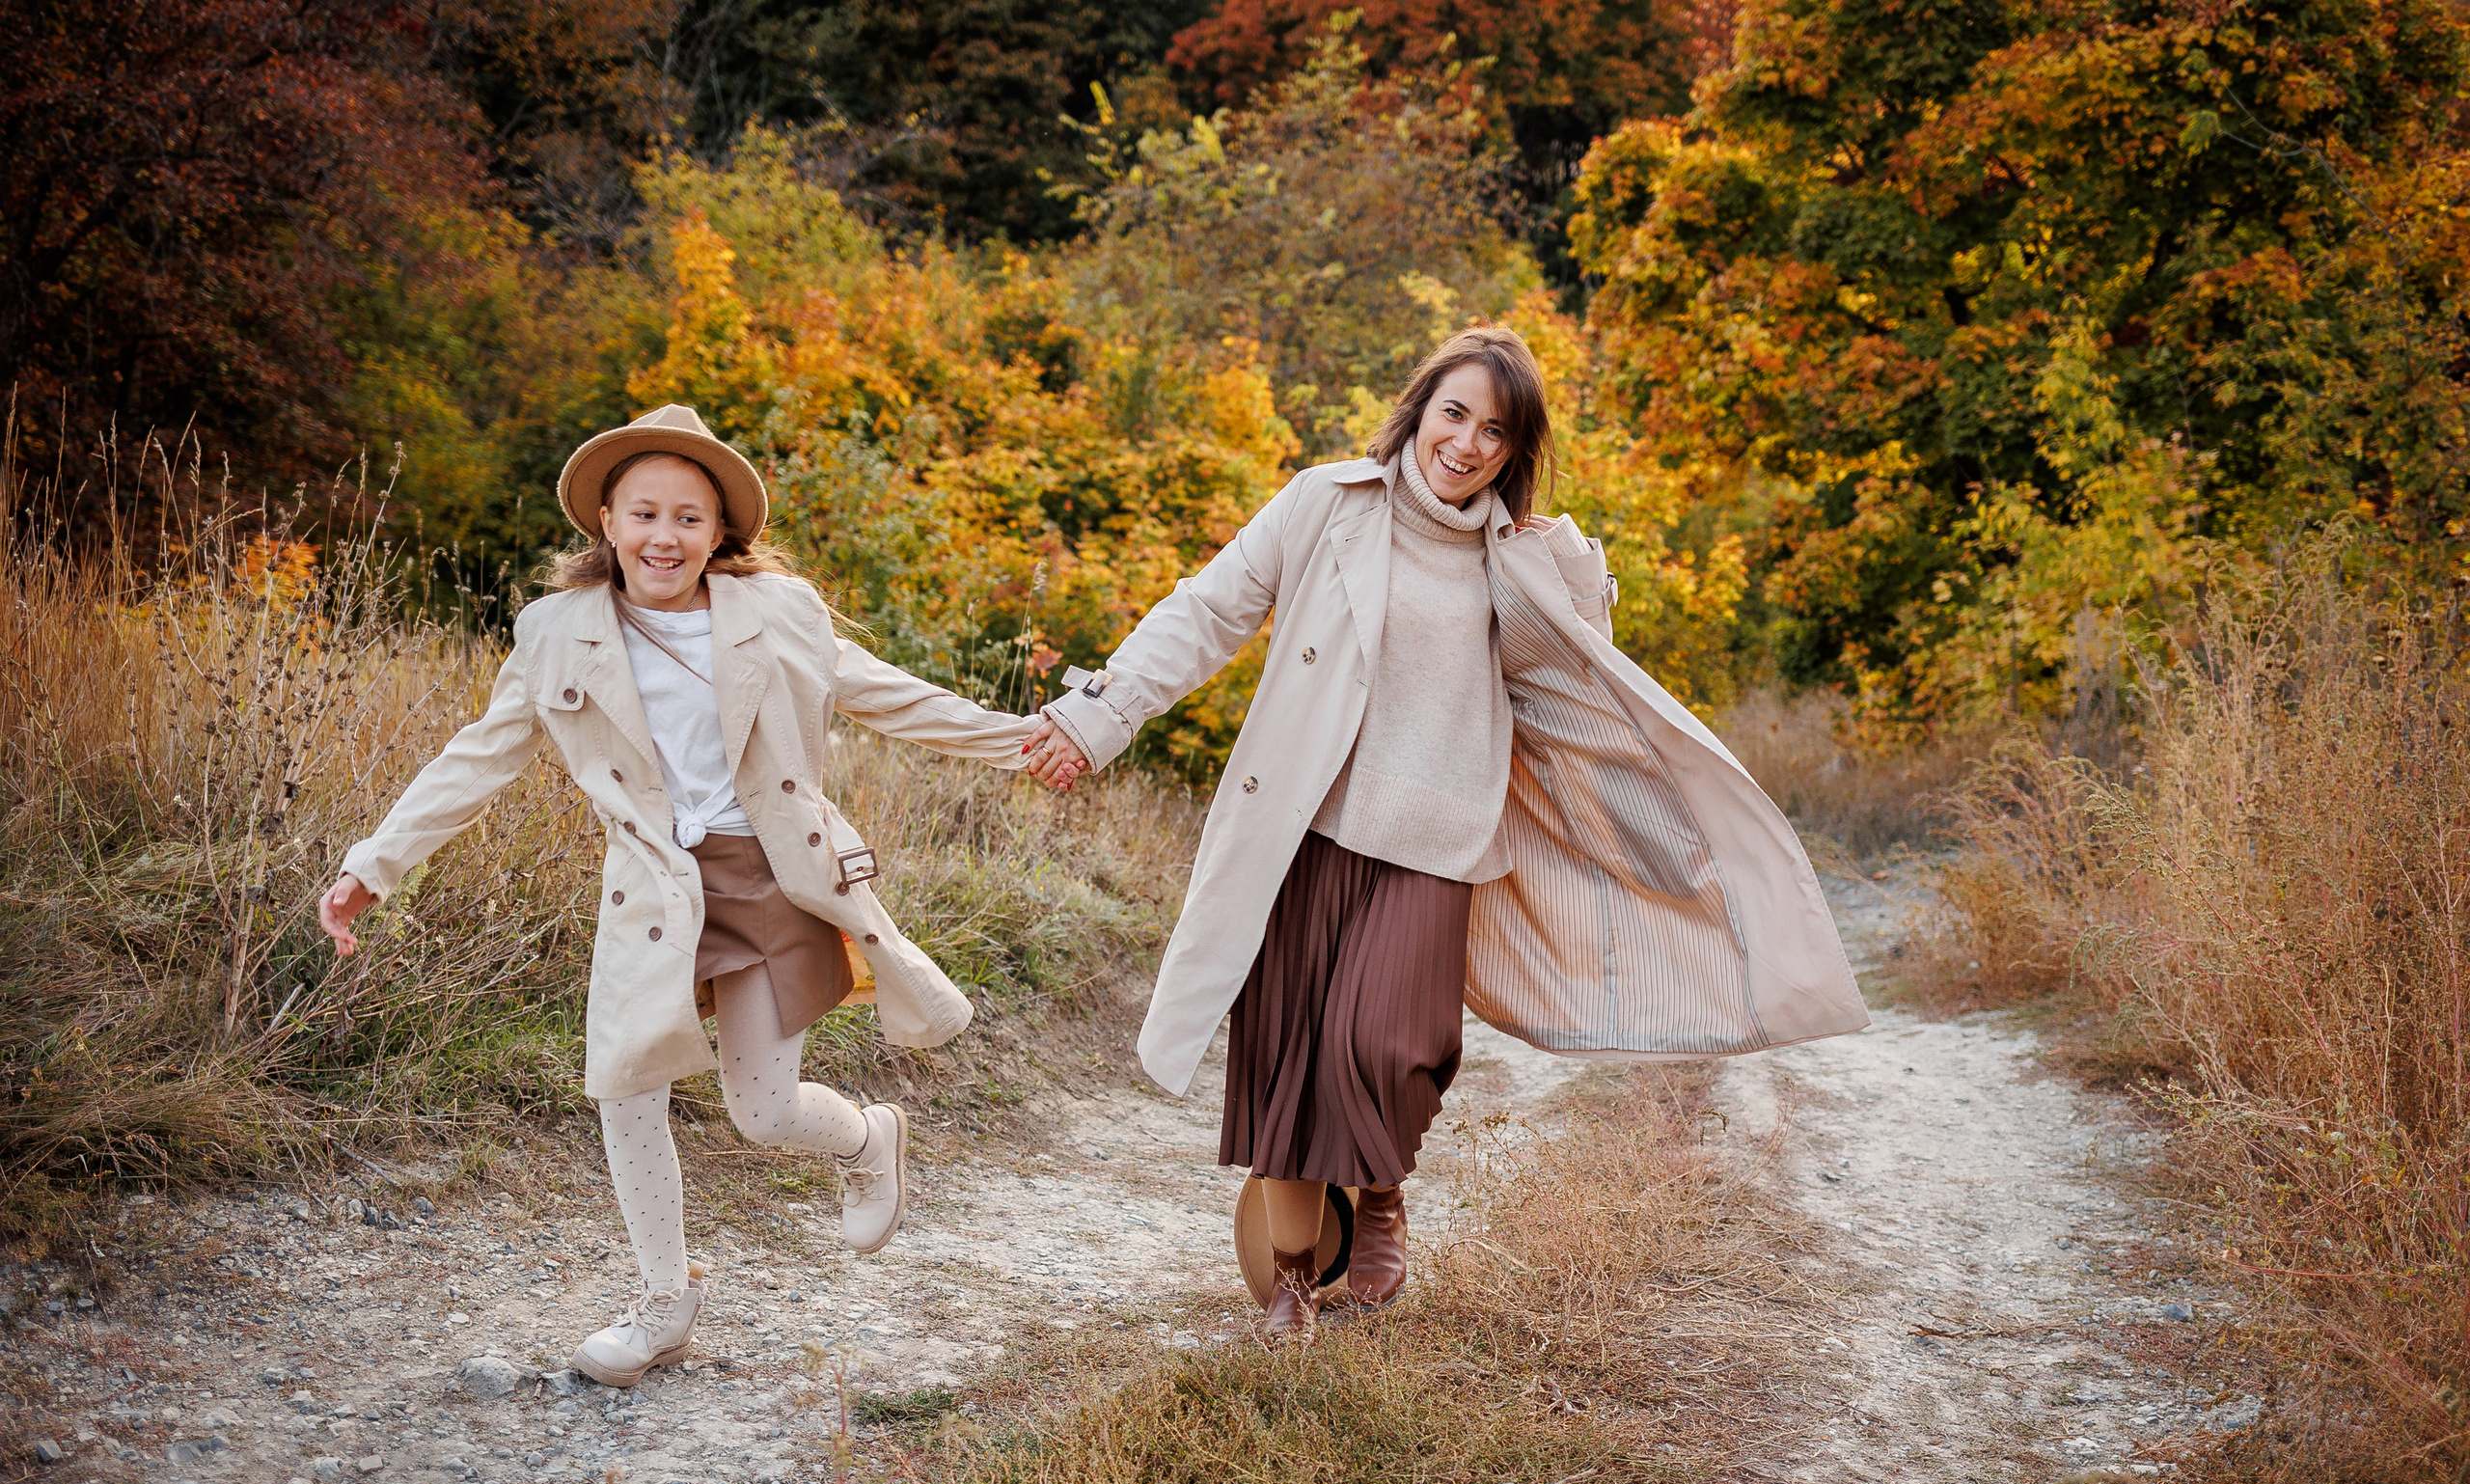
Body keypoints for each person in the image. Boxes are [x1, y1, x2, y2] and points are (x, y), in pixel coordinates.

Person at [1022, 327, 1869, 1342]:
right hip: (1306, 830)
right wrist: (1093, 719)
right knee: (1290, 1058)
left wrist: (1569, 576)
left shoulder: (1518, 560)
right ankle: (1291, 1280)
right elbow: (1205, 614)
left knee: (1384, 1044)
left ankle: (1378, 1187)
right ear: (1419, 409)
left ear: (1515, 454)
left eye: (1495, 432)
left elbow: (1580, 688)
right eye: (1454, 414)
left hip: (1441, 839)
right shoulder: (1323, 508)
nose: (1466, 443)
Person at [319, 404, 1046, 1387]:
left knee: (765, 1113)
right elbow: (476, 758)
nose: (666, 537)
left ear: (720, 534)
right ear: (607, 523)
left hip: (773, 882)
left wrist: (1034, 740)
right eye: (646, 514)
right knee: (624, 1088)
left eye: (690, 519)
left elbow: (895, 697)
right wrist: (376, 864)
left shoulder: (779, 614)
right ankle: (665, 1304)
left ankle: (870, 1136)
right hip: (655, 894)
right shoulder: (554, 634)